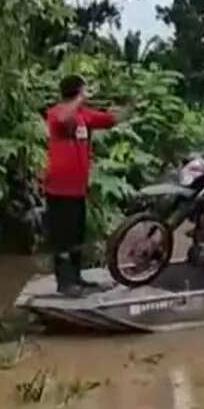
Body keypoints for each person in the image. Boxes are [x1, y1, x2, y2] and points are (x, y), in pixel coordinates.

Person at [43, 74, 121, 297]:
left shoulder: (85, 115)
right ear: (77, 91)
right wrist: (80, 98)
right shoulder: (57, 112)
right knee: (62, 237)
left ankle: (76, 278)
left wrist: (126, 104)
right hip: (58, 187)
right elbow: (63, 118)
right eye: (83, 90)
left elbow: (112, 120)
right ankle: (64, 283)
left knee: (76, 236)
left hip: (77, 188)